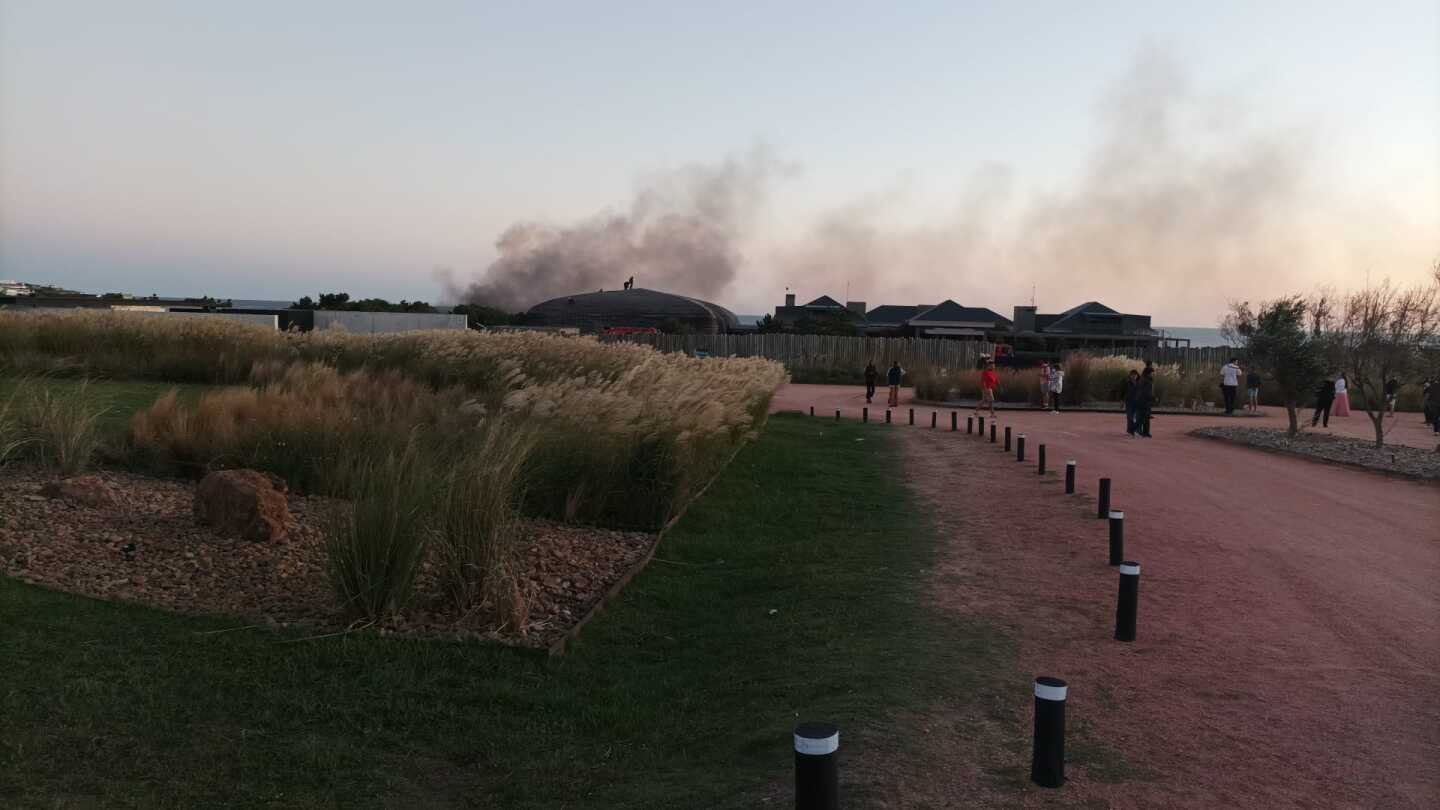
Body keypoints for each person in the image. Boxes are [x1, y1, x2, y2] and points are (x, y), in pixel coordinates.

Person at [1134, 366, 1155, 437]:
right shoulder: (1146, 380)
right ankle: (1140, 431)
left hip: (1143, 400)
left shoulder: (1144, 379)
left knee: (1145, 417)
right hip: (1143, 401)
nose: (1152, 374)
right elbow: (1145, 392)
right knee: (1142, 417)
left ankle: (1145, 432)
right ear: (1148, 373)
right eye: (1152, 373)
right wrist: (1152, 398)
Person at [1123, 369, 1141, 435]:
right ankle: (1130, 429)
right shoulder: (1127, 383)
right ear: (1130, 376)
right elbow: (1123, 392)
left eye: (1135, 375)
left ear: (1137, 375)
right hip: (1129, 402)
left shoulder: (1140, 383)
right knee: (1130, 417)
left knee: (1137, 417)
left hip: (1137, 402)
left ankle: (1135, 430)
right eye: (1132, 375)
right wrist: (1122, 402)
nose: (1133, 376)